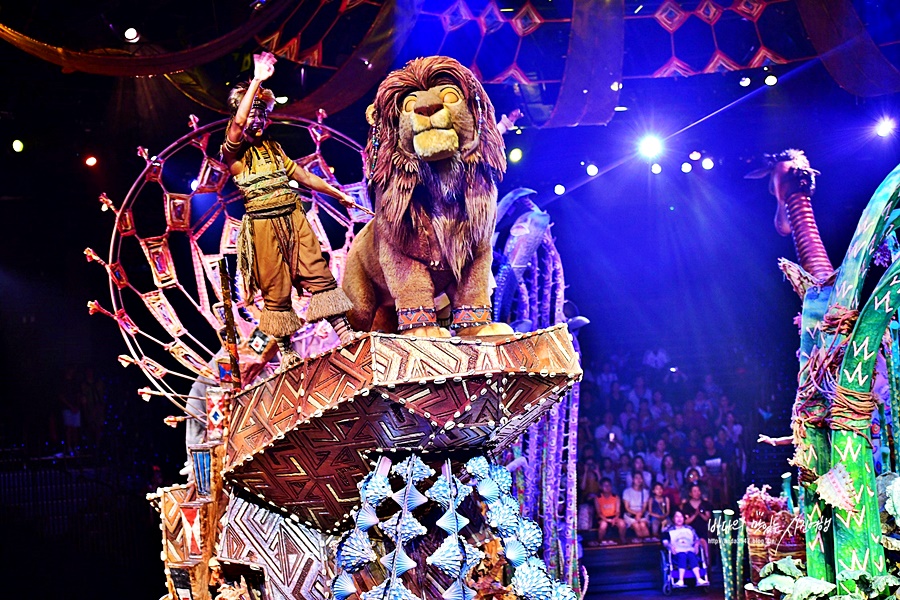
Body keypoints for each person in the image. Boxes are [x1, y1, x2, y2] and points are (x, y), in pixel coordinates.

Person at [222, 52, 357, 365]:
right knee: (276, 287)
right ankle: (286, 350)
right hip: (263, 225)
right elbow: (238, 123)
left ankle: (343, 329)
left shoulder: (274, 148)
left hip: (293, 217)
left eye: (261, 114)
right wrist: (256, 79)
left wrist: (338, 194)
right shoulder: (233, 152)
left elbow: (304, 176)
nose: (257, 120)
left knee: (317, 272)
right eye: (252, 114)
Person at [663, 510, 709, 587]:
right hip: (677, 552)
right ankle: (681, 580)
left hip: (689, 549)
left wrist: (697, 544)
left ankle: (699, 579)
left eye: (681, 516)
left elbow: (697, 539)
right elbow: (665, 541)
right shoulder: (669, 530)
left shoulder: (689, 529)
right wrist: (670, 546)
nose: (679, 519)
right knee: (682, 555)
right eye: (677, 517)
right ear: (673, 519)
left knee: (691, 555)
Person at [681, 484, 713, 560]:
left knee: (704, 540)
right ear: (690, 493)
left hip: (703, 528)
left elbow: (707, 518)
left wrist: (700, 513)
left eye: (698, 491)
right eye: (694, 491)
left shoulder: (705, 504)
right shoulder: (686, 505)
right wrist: (695, 514)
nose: (697, 493)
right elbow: (686, 522)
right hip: (691, 529)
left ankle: (707, 560)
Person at [594, 478, 627, 545]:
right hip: (603, 517)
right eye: (605, 486)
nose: (607, 487)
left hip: (614, 517)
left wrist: (615, 518)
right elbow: (599, 513)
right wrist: (607, 520)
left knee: (622, 523)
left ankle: (622, 539)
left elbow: (618, 511)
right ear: (601, 487)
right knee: (603, 525)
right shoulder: (598, 498)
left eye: (609, 485)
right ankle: (600, 541)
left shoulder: (616, 497)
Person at [622, 471, 651, 540]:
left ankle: (649, 544)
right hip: (630, 514)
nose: (638, 480)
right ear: (632, 479)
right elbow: (627, 507)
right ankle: (641, 546)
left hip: (642, 513)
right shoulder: (627, 491)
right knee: (636, 526)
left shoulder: (645, 491)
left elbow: (644, 506)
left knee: (643, 525)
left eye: (640, 478)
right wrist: (636, 514)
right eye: (636, 478)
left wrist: (640, 514)